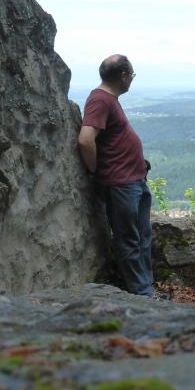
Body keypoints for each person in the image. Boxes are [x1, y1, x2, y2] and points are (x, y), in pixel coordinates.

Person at [77, 55, 155, 295]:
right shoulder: (100, 100)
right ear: (123, 76)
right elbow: (85, 139)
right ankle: (143, 295)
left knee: (143, 236)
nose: (131, 79)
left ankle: (147, 288)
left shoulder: (110, 99)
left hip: (134, 179)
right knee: (128, 240)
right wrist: (95, 170)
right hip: (121, 183)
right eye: (131, 75)